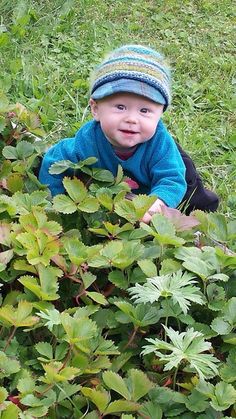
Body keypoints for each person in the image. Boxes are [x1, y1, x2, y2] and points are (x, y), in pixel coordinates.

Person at [39, 44, 219, 222]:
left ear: (160, 113)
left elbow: (171, 179)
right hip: (118, 190)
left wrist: (157, 203)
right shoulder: (88, 140)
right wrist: (53, 201)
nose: (132, 119)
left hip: (165, 178)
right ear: (95, 109)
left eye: (145, 111)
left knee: (191, 198)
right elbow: (55, 160)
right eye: (120, 107)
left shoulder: (160, 145)